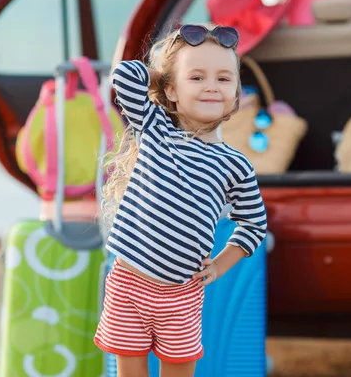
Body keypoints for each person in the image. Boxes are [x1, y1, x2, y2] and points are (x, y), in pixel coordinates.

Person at [94, 24, 267, 377]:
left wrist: (219, 264)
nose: (210, 87)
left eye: (223, 79)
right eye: (197, 77)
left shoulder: (235, 164)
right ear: (171, 89)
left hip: (180, 296)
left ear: (236, 93)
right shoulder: (155, 128)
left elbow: (254, 224)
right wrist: (165, 76)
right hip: (128, 282)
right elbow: (125, 75)